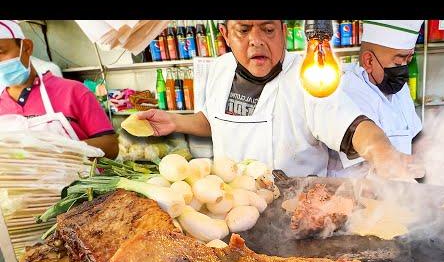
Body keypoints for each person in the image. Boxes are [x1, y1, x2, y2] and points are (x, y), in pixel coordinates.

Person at [136, 20, 424, 179]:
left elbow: (352, 124)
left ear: (285, 31)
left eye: (269, 29)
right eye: (244, 30)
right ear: (225, 34)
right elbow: (217, 121)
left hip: (298, 217)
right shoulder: (220, 70)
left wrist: (382, 151)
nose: (257, 40)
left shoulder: (310, 74)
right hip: (233, 209)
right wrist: (175, 122)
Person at [0, 20, 118, 158]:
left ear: (26, 47)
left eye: (1, 52)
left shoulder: (74, 91)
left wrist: (60, 153)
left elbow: (110, 146)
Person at [328, 20, 424, 178]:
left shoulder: (401, 91)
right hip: (355, 194)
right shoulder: (348, 90)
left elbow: (415, 138)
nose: (404, 69)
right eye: (398, 61)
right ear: (369, 61)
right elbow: (369, 163)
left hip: (398, 189)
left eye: (408, 60)